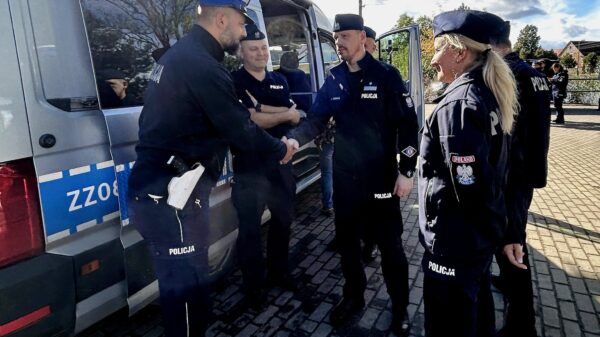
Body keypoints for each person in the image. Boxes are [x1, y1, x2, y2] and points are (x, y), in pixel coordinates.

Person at [126, 1, 295, 336]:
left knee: (193, 287)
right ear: (221, 19)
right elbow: (239, 128)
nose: (245, 32)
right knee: (187, 296)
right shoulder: (200, 64)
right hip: (172, 196)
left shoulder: (182, 56)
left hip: (174, 189)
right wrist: (281, 148)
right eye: (242, 24)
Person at [286, 14, 418, 336]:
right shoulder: (334, 78)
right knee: (348, 245)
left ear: (361, 36)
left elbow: (408, 125)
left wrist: (407, 171)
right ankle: (353, 297)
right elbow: (316, 119)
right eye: (335, 37)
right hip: (346, 181)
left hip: (380, 179)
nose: (339, 42)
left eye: (344, 35)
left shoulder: (386, 75)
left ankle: (400, 306)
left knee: (391, 249)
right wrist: (294, 138)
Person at [419, 10, 518, 337]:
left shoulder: (458, 104)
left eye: (438, 49)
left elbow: (469, 186)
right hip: (475, 243)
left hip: (453, 245)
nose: (433, 60)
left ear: (460, 52)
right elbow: (499, 175)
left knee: (449, 326)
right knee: (477, 318)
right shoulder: (484, 93)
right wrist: (500, 232)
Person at [484, 13, 551, 337]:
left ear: (492, 45)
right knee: (512, 240)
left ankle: (522, 324)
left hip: (513, 175)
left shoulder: (508, 75)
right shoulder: (534, 75)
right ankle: (508, 285)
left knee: (512, 243)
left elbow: (508, 133)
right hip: (529, 172)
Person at [230, 23, 301, 306]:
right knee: (249, 229)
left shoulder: (279, 80)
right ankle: (253, 285)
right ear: (242, 53)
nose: (260, 54)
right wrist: (280, 113)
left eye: (262, 48)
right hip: (249, 165)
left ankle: (279, 273)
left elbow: (292, 117)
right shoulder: (233, 81)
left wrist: (261, 108)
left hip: (280, 161)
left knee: (283, 221)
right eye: (253, 49)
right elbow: (250, 121)